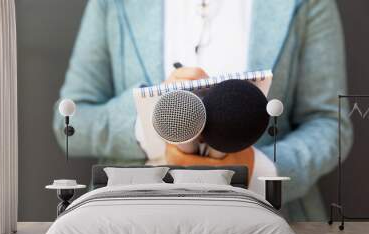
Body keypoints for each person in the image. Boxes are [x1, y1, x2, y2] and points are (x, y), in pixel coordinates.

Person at [53, 0, 353, 221]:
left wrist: (255, 168)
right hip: (133, 218)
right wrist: (151, 122)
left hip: (269, 218)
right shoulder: (113, 5)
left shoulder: (307, 4)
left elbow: (329, 124)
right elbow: (69, 123)